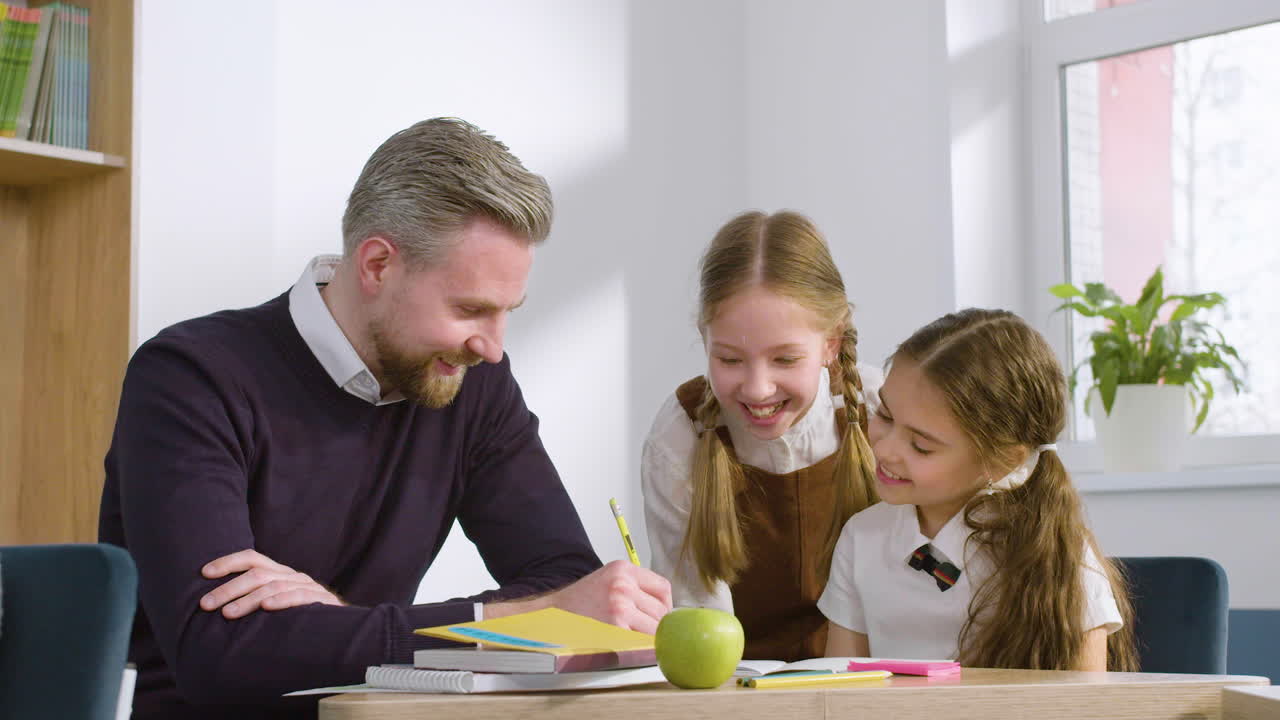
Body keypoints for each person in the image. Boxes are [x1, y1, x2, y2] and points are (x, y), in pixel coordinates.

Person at [99, 117, 672, 719]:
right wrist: (496, 622)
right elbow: (224, 657)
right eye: (470, 308)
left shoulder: (473, 384)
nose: (493, 346)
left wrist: (338, 622)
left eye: (508, 312)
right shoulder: (191, 378)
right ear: (378, 265)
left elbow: (564, 582)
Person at [818, 308, 1138, 670]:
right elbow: (841, 691)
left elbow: (1086, 707)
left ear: (1001, 460)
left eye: (921, 446)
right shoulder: (862, 538)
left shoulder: (1059, 557)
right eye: (886, 416)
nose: (885, 449)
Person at [641, 210, 881, 662]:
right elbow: (698, 607)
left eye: (785, 360)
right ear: (704, 338)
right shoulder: (680, 436)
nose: (757, 389)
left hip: (865, 680)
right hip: (735, 686)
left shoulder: (881, 407)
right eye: (730, 360)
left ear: (832, 342)